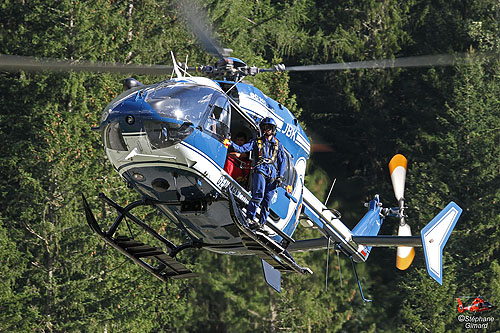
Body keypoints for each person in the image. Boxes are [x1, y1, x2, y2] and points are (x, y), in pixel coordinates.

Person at [229, 117, 286, 232]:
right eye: (265, 127)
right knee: (258, 195)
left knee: (267, 201)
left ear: (273, 129)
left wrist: (280, 176)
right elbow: (242, 148)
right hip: (260, 170)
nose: (267, 130)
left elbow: (282, 162)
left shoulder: (278, 145)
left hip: (273, 176)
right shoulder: (256, 142)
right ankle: (250, 218)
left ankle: (261, 224)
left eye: (269, 128)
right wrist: (230, 143)